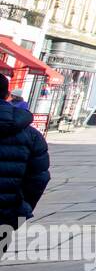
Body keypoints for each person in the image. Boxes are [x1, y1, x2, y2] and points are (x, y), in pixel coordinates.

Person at [0, 74, 51, 256]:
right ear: (7, 95)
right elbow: (39, 178)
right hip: (5, 213)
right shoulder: (32, 135)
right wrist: (21, 208)